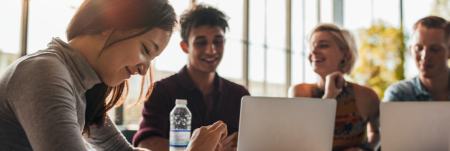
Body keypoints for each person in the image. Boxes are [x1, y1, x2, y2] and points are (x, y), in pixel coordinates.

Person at [0, 0, 227, 150]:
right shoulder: (44, 73)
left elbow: (119, 150)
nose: (144, 70)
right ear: (109, 24)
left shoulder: (83, 84)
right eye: (146, 50)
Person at [133, 4, 250, 151]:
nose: (211, 50)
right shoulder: (161, 91)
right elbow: (146, 145)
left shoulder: (240, 95)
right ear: (185, 47)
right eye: (201, 42)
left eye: (218, 41)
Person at [288, 24, 380, 151]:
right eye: (311, 47)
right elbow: (304, 140)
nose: (313, 51)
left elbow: (376, 132)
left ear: (345, 54)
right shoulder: (299, 93)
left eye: (323, 45)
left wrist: (367, 150)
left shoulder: (367, 96)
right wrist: (329, 96)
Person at [384, 16, 450, 102]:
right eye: (418, 48)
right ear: (411, 50)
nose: (425, 56)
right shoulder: (398, 95)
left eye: (435, 49)